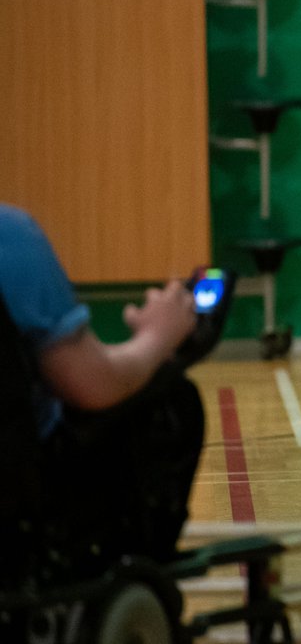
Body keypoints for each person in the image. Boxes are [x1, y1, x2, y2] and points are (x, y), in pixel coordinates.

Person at [0, 203, 202, 586]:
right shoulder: (9, 236)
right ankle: (130, 583)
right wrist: (157, 338)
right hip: (19, 507)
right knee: (172, 399)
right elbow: (92, 386)